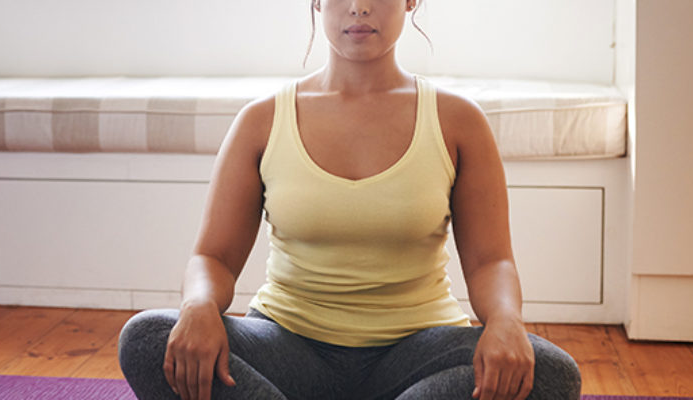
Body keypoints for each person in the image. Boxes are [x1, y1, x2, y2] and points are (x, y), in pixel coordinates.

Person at [118, 0, 581, 399]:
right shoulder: (260, 121)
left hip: (415, 352)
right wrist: (199, 305)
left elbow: (490, 262)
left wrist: (504, 319)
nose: (358, 5)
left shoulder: (459, 121)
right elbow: (213, 256)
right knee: (148, 338)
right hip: (288, 345)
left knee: (551, 373)